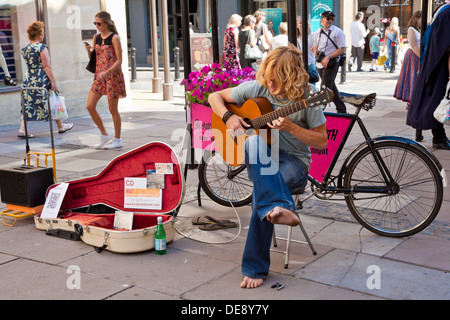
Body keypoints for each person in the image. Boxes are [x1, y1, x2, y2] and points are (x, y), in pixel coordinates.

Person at [208, 44, 327, 289]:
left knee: (263, 195)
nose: (270, 86)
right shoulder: (260, 87)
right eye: (268, 79)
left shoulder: (308, 97)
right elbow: (214, 97)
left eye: (276, 81)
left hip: (294, 162)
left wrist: (292, 128)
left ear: (291, 77)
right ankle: (282, 209)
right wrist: (229, 117)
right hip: (262, 157)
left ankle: (255, 267)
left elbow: (322, 140)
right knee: (252, 142)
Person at [407, 3, 450, 150]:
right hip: (439, 65)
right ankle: (439, 136)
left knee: (435, 99)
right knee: (436, 100)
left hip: (435, 62)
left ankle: (439, 136)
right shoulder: (447, 12)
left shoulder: (442, 10)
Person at [19, 21, 73, 139]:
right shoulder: (42, 47)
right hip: (41, 78)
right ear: (39, 34)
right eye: (42, 32)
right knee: (53, 100)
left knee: (27, 104)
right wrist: (53, 81)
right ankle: (60, 127)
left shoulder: (25, 48)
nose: (43, 34)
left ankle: (22, 129)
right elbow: (46, 66)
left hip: (29, 78)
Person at [84, 11, 126, 149]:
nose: (96, 26)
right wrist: (89, 51)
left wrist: (107, 72)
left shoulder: (114, 38)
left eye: (99, 23)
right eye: (95, 23)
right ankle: (104, 134)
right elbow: (94, 59)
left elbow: (119, 60)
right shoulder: (96, 37)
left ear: (106, 23)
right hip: (99, 76)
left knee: (113, 110)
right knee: (90, 106)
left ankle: (118, 140)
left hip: (112, 76)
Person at [311, 11, 347, 113]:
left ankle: (319, 112)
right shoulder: (318, 31)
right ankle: (341, 109)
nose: (330, 20)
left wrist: (329, 57)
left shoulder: (338, 32)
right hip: (320, 63)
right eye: (328, 18)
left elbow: (341, 49)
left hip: (331, 63)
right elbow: (316, 46)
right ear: (322, 20)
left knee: (325, 88)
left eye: (332, 19)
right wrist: (315, 51)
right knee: (331, 86)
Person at [394, 11, 422, 124]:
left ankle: (415, 99)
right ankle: (411, 100)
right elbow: (413, 45)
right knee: (412, 78)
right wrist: (422, 57)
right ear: (416, 18)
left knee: (417, 78)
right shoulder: (411, 29)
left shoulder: (421, 28)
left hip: (419, 54)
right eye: (421, 18)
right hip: (414, 55)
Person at [297, 16, 319, 89]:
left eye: (303, 23)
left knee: (312, 86)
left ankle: (314, 99)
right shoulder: (296, 37)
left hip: (310, 63)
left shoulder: (312, 35)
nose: (302, 25)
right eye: (300, 23)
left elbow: (318, 47)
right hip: (299, 65)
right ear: (297, 25)